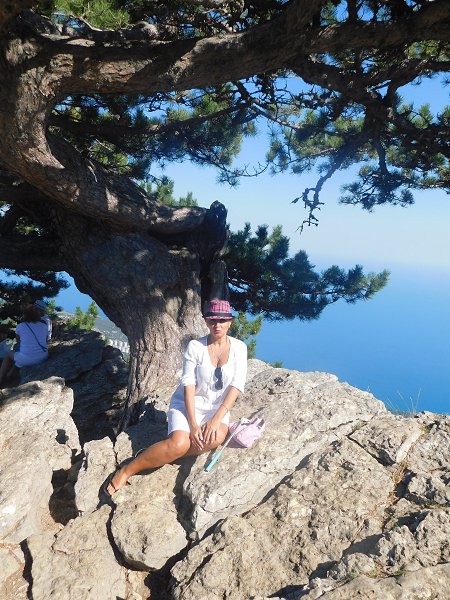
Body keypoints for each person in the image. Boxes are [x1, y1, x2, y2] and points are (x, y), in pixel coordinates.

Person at [106, 299, 247, 495]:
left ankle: (160, 455)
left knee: (216, 437)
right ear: (206, 321)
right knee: (179, 443)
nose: (217, 325)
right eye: (212, 320)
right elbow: (188, 386)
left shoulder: (239, 348)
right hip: (188, 404)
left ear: (230, 322)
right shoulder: (196, 347)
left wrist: (216, 419)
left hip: (217, 408)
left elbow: (236, 386)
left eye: (222, 320)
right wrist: (194, 425)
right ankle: (128, 469)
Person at [0, 304, 49, 387]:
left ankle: (1, 379)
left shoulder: (20, 326)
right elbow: (45, 340)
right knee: (24, 352)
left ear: (25, 315)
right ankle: (10, 374)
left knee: (9, 354)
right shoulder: (44, 326)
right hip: (43, 356)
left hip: (27, 359)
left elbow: (18, 342)